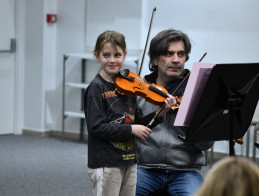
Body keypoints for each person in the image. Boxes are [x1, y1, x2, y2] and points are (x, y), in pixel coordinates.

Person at [84, 30, 176, 196]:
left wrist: (161, 112)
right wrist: (131, 130)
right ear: (97, 56)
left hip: (129, 160)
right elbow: (96, 128)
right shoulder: (96, 88)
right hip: (106, 162)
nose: (112, 60)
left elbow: (139, 121)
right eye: (106, 55)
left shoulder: (128, 86)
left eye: (117, 55)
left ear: (124, 55)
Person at [136, 29, 214, 196]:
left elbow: (206, 144)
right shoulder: (139, 92)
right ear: (155, 60)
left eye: (181, 54)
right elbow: (127, 134)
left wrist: (188, 117)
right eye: (169, 54)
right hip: (145, 169)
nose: (176, 60)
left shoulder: (197, 93)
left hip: (185, 171)